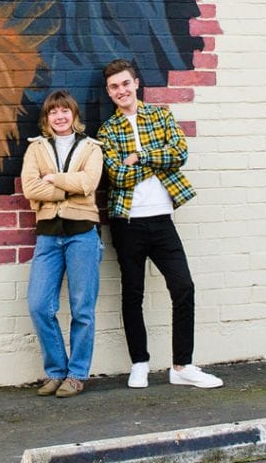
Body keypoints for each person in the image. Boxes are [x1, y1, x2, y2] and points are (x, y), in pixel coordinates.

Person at [97, 58, 222, 389]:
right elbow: (116, 176)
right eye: (114, 87)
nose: (121, 90)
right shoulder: (107, 130)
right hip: (127, 223)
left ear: (136, 83)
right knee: (132, 293)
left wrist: (140, 156)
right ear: (109, 93)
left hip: (162, 220)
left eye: (125, 83)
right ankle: (139, 363)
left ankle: (182, 366)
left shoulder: (161, 115)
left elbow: (179, 152)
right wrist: (157, 158)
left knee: (183, 287)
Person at [21, 89, 104, 397]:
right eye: (53, 112)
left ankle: (77, 374)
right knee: (39, 305)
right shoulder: (36, 149)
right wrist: (68, 187)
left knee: (83, 308)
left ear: (74, 115)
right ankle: (56, 371)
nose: (59, 116)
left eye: (64, 111)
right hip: (48, 235)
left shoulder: (92, 148)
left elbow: (89, 183)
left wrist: (53, 180)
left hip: (83, 233)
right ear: (47, 118)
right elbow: (31, 188)